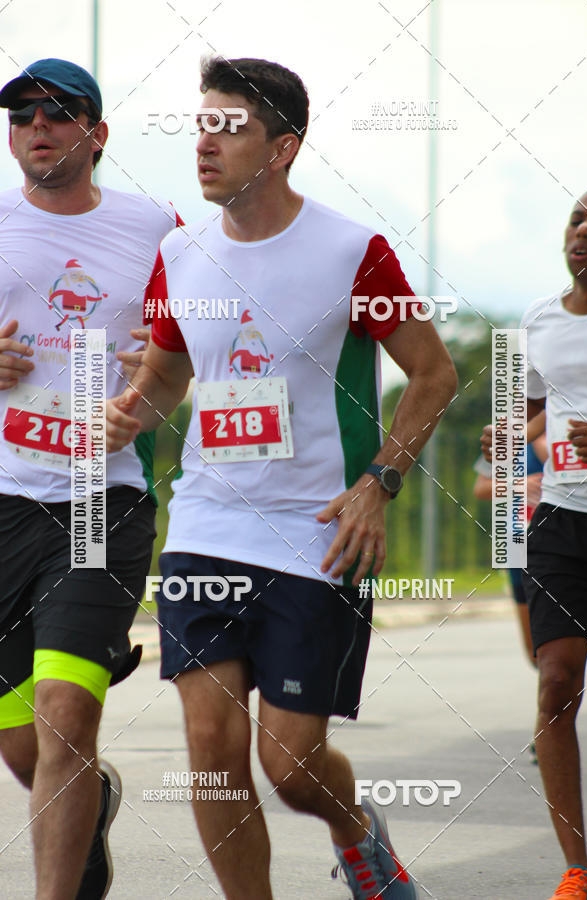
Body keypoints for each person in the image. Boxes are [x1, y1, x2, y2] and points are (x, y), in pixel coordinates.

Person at [107, 56, 457, 899]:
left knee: (291, 768)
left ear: (282, 147)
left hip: (316, 534)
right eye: (200, 124)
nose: (204, 143)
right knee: (214, 755)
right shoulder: (181, 254)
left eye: (228, 127)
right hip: (205, 529)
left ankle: (354, 827)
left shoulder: (351, 251)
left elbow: (434, 374)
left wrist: (380, 481)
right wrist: (129, 409)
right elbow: (165, 380)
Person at [0, 58, 180, 899]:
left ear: (96, 135)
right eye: (23, 114)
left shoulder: (159, 229)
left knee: (66, 716)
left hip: (100, 497)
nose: (38, 125)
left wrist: (159, 373)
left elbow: (198, 347)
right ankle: (91, 803)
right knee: (24, 747)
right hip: (3, 500)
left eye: (59, 112)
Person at [482, 188, 587, 899]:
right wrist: (508, 433)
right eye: (577, 218)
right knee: (556, 682)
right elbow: (527, 408)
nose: (583, 232)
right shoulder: (538, 320)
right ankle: (577, 870)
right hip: (562, 519)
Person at [474, 413, 547, 667]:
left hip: (566, 544)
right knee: (536, 654)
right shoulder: (507, 436)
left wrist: (540, 436)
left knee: (564, 650)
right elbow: (480, 488)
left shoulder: (568, 423)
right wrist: (518, 485)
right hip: (518, 545)